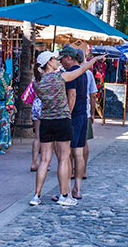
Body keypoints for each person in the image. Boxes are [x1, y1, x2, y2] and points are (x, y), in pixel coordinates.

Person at [30, 50, 98, 206]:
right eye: (54, 59)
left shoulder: (36, 81)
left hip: (46, 120)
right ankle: (64, 195)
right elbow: (81, 69)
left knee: (44, 160)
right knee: (63, 158)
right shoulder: (59, 77)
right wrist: (94, 60)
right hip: (62, 119)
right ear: (48, 62)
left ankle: (36, 195)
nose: (57, 61)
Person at [60, 46, 89, 200]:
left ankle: (67, 189)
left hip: (74, 116)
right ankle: (77, 188)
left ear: (70, 58)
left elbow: (72, 95)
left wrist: (67, 115)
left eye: (63, 58)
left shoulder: (71, 74)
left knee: (68, 154)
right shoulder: (84, 72)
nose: (62, 62)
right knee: (78, 153)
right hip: (82, 114)